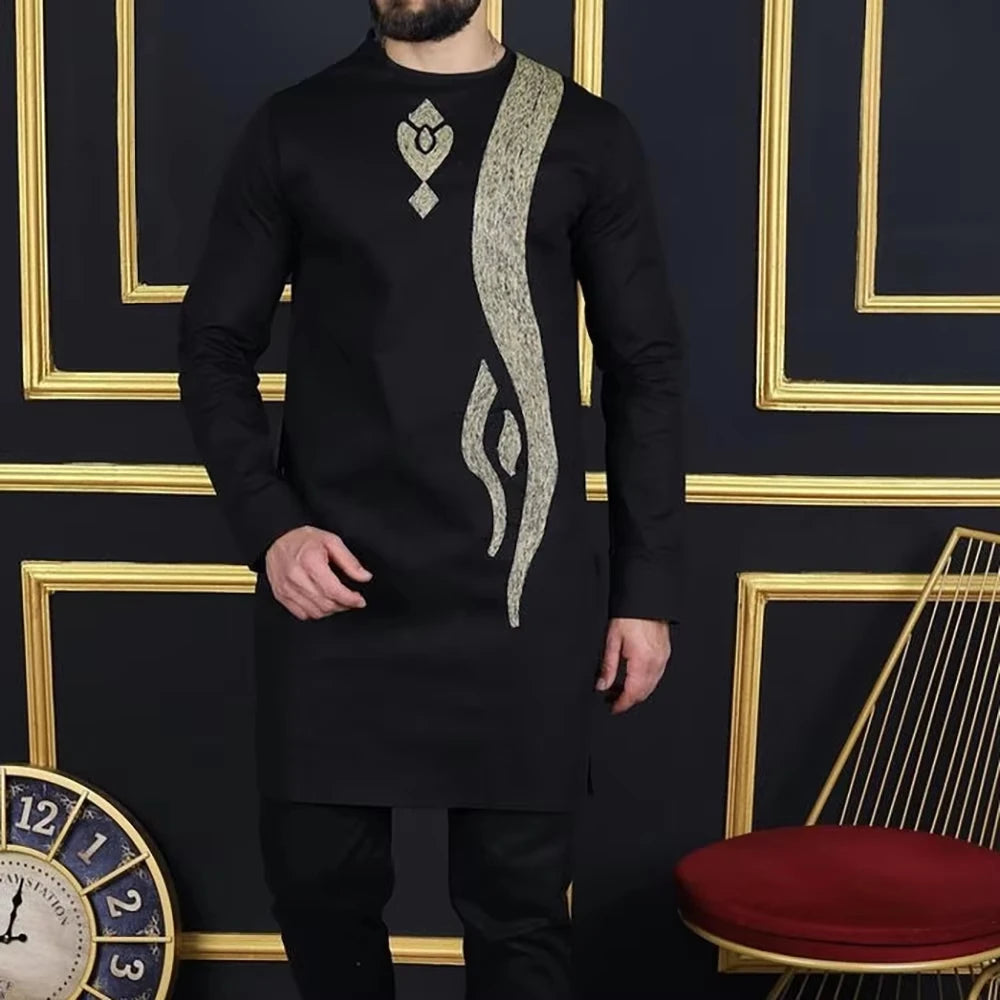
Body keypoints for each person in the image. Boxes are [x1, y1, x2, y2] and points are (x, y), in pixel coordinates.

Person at [176, 1, 684, 997]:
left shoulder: (582, 132)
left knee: (519, 918)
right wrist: (271, 529)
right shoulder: (294, 127)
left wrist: (647, 589)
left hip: (518, 592)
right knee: (322, 902)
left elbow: (646, 369)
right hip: (332, 589)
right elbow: (213, 344)